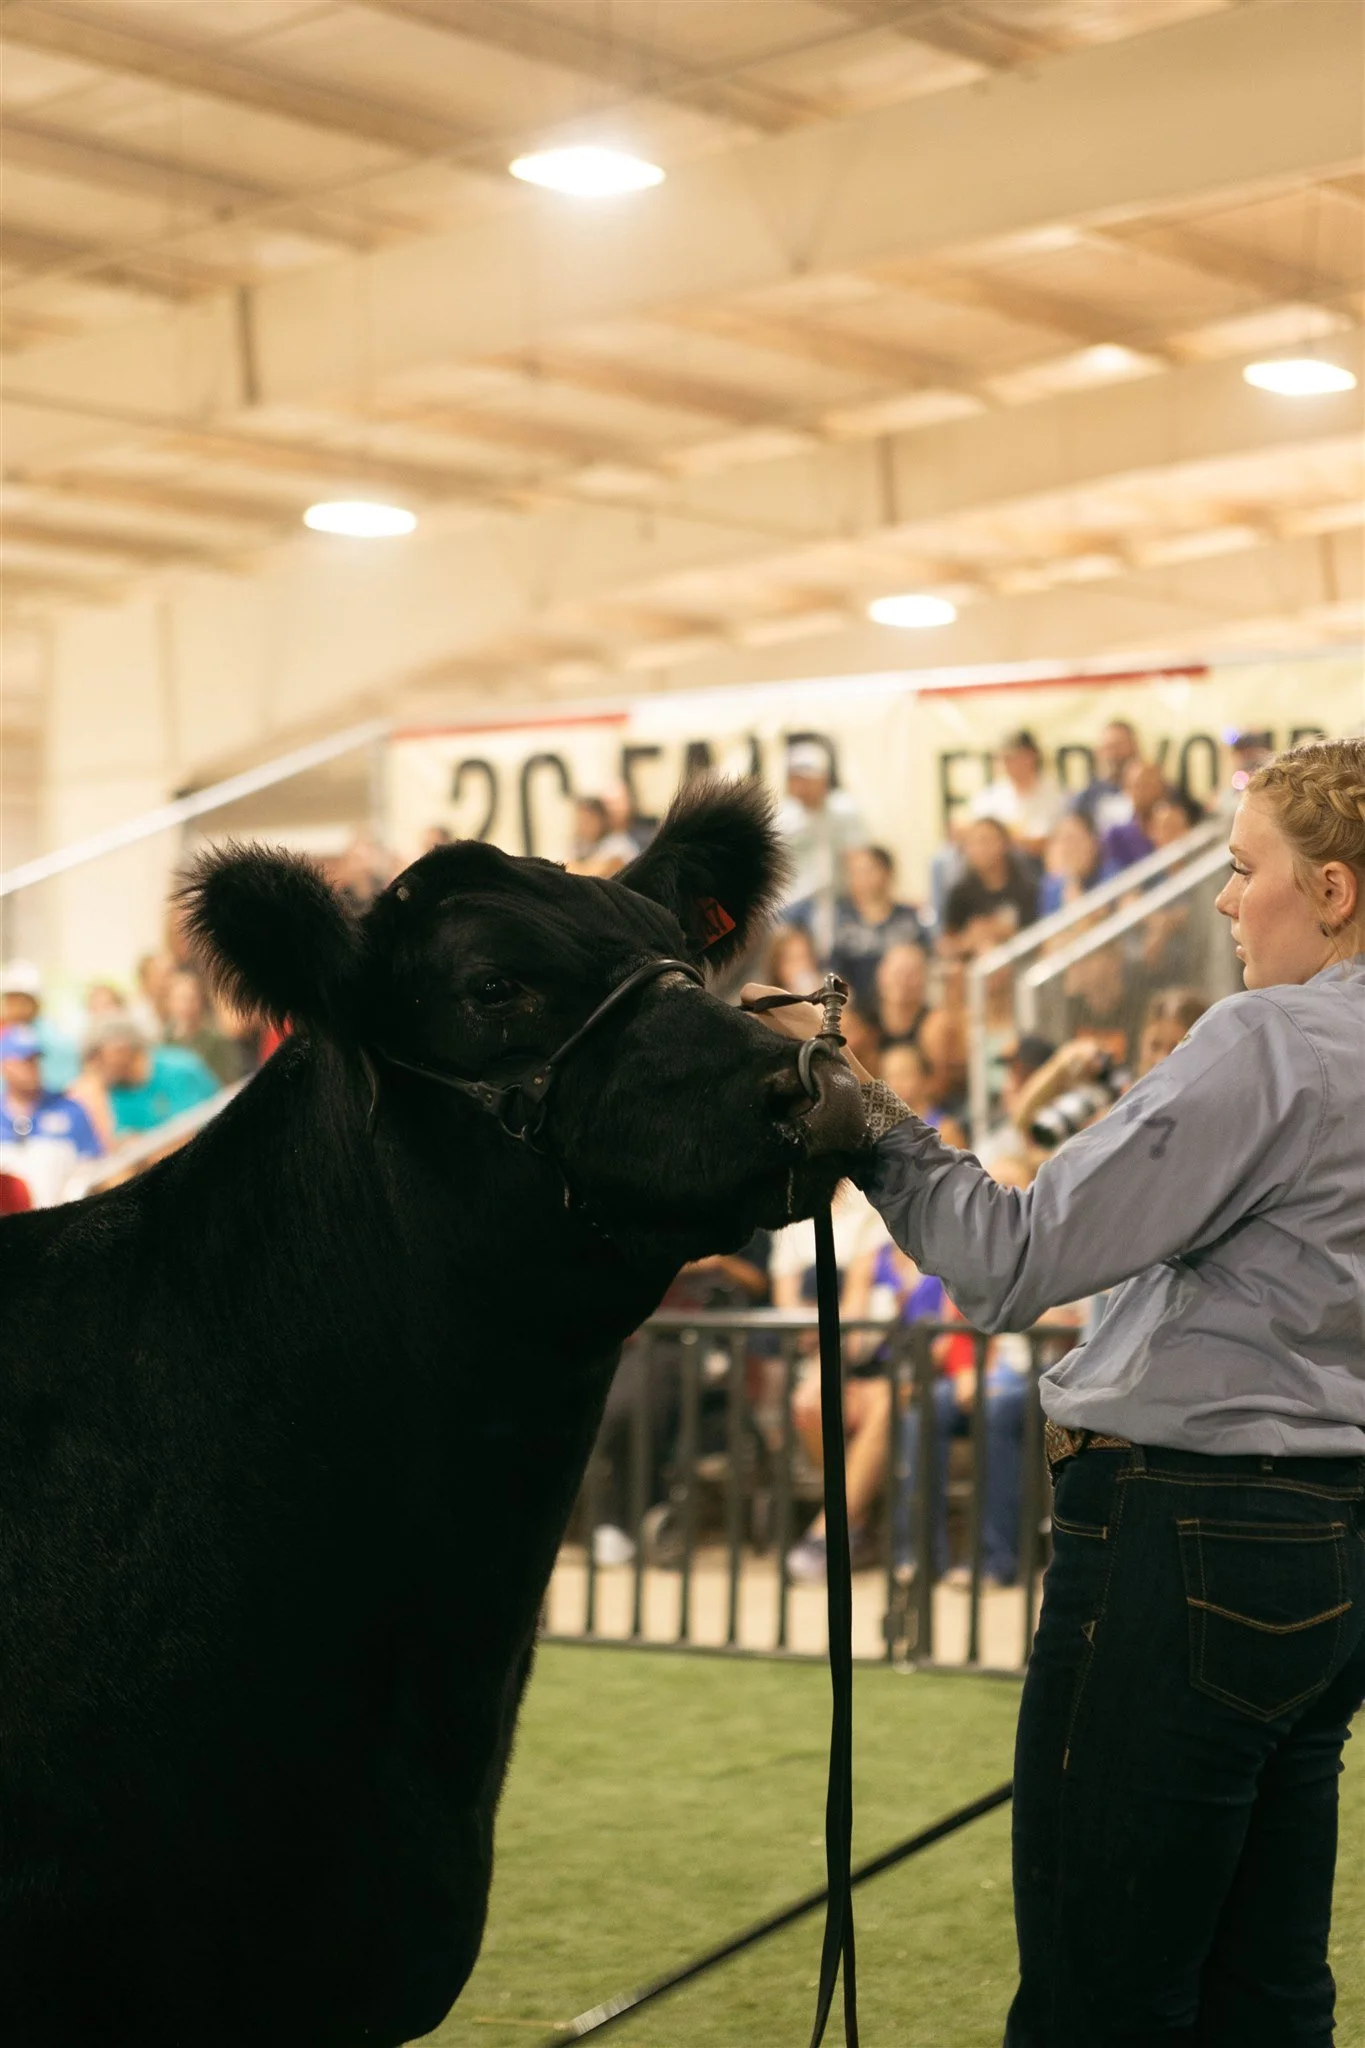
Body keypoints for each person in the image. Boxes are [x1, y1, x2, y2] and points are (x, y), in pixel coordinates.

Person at [745, 733, 1365, 2047]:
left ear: (1331, 890)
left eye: (1244, 867)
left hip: (1185, 1536)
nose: (1220, 898)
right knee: (1264, 1988)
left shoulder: (1272, 1040)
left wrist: (870, 1119)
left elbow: (1011, 1257)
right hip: (1330, 1548)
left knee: (1106, 1996)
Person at [772, 1181, 892, 1582]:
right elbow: (799, 1305)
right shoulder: (793, 1220)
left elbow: (857, 1306)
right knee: (811, 1405)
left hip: (893, 1362)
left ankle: (828, 1535)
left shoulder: (873, 1216)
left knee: (883, 1406)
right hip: (842, 1354)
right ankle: (852, 1524)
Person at [774, 740, 870, 955]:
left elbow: (857, 857)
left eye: (809, 778)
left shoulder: (843, 811)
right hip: (790, 904)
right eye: (797, 778)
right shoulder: (782, 817)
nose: (803, 786)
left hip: (835, 902)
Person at [0, 1022, 103, 1206]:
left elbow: (92, 1165)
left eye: (35, 1060)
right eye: (24, 1061)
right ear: (5, 1065)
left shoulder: (69, 1109)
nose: (32, 1068)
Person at [815, 845, 929, 1011]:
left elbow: (925, 959)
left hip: (904, 1006)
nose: (862, 878)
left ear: (888, 872)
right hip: (856, 1009)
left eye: (868, 870)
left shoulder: (908, 918)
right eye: (855, 872)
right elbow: (833, 968)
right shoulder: (842, 921)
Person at [77, 1018, 220, 1137]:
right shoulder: (118, 1092)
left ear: (121, 1050)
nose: (94, 1069)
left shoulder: (178, 1068)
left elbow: (194, 1131)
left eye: (98, 1057)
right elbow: (127, 1141)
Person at [942, 817, 1039, 952]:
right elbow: (948, 942)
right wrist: (969, 940)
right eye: (972, 843)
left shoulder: (1027, 888)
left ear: (1005, 844)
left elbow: (1037, 936)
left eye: (986, 841)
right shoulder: (960, 893)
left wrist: (1002, 931)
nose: (980, 849)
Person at [970, 730, 1066, 857]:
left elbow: (1054, 841)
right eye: (1004, 758)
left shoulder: (1056, 795)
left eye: (1013, 757)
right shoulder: (990, 796)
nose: (1008, 764)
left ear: (1032, 755)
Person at [161, 968, 255, 1085]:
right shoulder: (166, 1040)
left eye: (192, 999)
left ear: (201, 1001)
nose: (186, 1006)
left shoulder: (218, 1038)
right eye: (180, 999)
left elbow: (229, 1081)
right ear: (169, 1003)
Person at [1071, 718, 1143, 835]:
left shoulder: (1157, 790)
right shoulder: (1087, 798)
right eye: (1108, 747)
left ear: (1135, 747)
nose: (1114, 754)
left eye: (1119, 745)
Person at [1098, 759, 1169, 876]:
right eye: (1136, 785)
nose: (1142, 792)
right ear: (1126, 789)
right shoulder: (1117, 836)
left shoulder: (1174, 823)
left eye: (1148, 784)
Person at [1037, 811, 1102, 917]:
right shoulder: (1051, 888)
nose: (1070, 849)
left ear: (1092, 841)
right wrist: (1071, 878)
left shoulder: (1108, 870)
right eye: (1063, 841)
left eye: (1075, 839)